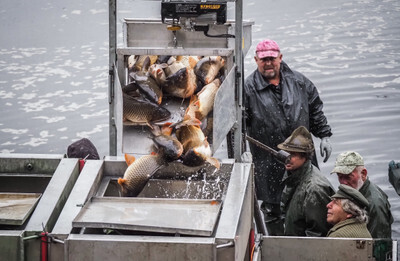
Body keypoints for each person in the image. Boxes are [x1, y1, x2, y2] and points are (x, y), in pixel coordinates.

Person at [244, 39, 333, 235]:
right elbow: (240, 123)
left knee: (309, 201)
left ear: (280, 58)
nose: (268, 63)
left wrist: (324, 135)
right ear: (256, 60)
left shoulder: (299, 82)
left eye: (272, 59)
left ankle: (308, 243)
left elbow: (315, 109)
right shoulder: (248, 89)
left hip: (302, 157)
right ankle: (278, 246)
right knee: (273, 210)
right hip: (268, 160)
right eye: (264, 59)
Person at [278, 126, 335, 236]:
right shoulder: (293, 176)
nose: (287, 158)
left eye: (293, 154)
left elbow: (317, 234)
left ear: (305, 157)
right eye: (286, 153)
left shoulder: (314, 189)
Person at [331, 151, 393, 238]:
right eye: (340, 177)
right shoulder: (354, 192)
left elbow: (378, 243)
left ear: (363, 174)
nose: (343, 183)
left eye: (348, 177)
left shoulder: (375, 204)